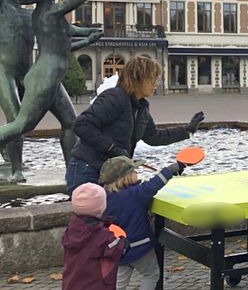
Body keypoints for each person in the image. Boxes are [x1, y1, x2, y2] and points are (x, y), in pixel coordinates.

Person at [0, 0, 103, 177]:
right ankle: (15, 165)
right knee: (21, 125)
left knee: (70, 122)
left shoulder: (41, 15)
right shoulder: (48, 12)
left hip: (48, 74)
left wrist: (89, 36)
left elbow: (64, 41)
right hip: (40, 74)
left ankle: (72, 171)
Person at [66, 55, 204, 194]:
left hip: (111, 172)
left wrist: (187, 131)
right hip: (87, 168)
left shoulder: (141, 107)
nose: (156, 84)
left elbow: (153, 136)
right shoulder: (114, 97)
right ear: (138, 78)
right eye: (152, 79)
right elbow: (81, 125)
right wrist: (112, 148)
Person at [102, 155, 186, 290]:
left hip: (118, 247)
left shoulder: (105, 197)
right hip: (140, 246)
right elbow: (154, 184)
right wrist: (172, 168)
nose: (137, 173)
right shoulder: (136, 194)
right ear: (125, 177)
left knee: (119, 281)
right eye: (134, 171)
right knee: (152, 274)